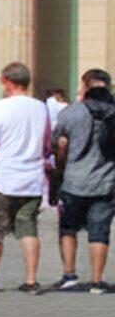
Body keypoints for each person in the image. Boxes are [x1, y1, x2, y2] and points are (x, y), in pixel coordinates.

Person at [0, 61, 51, 292]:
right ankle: (31, 280)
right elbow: (46, 144)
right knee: (28, 228)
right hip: (32, 177)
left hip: (5, 176)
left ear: (7, 82)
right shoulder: (40, 108)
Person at [48, 68, 115, 293]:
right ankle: (97, 281)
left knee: (68, 228)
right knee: (100, 232)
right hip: (107, 182)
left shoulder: (71, 113)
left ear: (85, 86)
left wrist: (59, 165)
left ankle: (69, 275)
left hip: (74, 180)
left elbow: (57, 142)